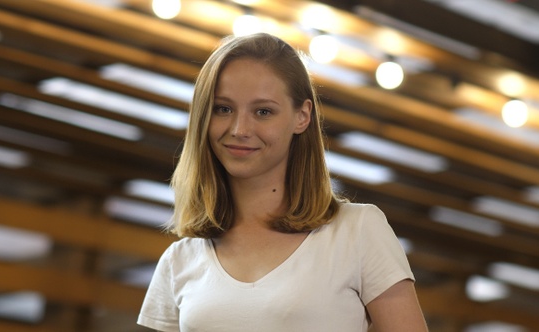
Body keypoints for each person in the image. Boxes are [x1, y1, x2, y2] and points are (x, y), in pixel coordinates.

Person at [137, 32, 428, 332]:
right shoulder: (179, 260)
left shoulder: (358, 231)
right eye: (223, 109)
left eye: (263, 111)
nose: (239, 129)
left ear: (302, 116)